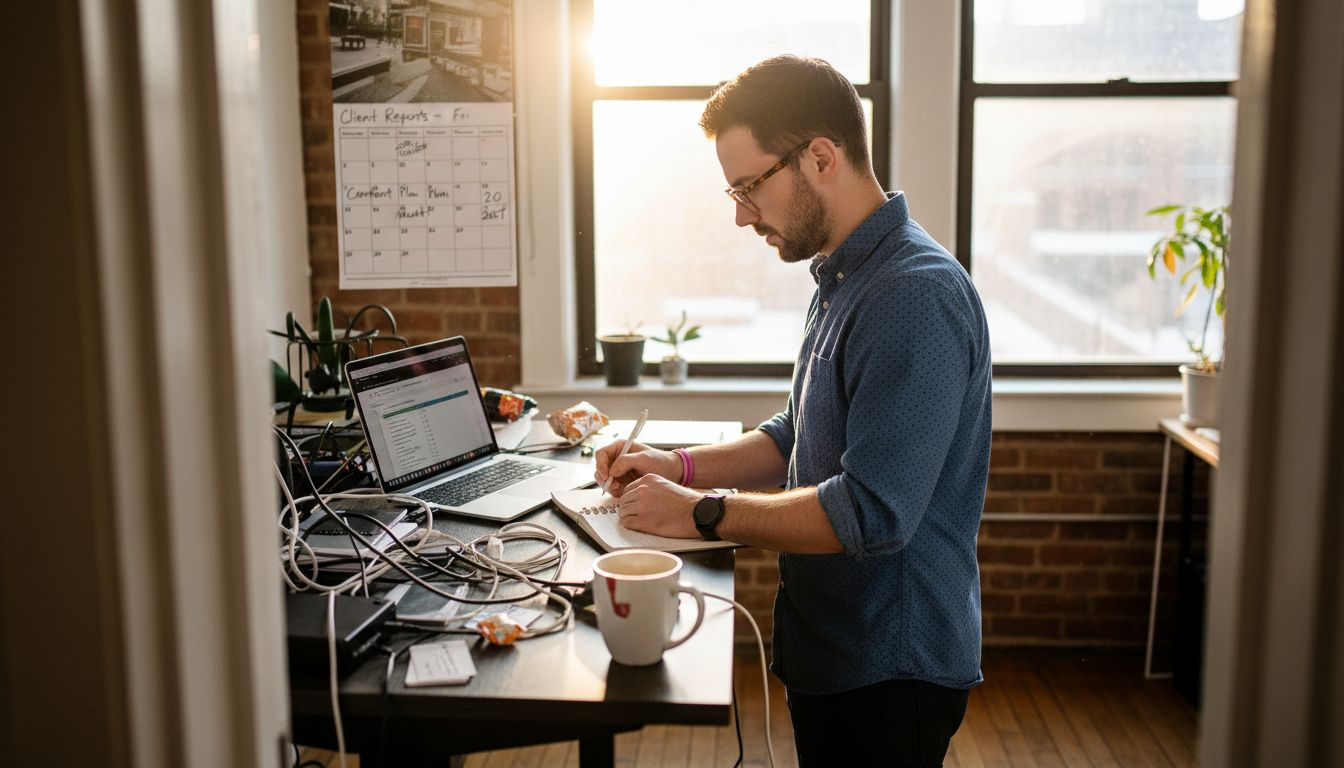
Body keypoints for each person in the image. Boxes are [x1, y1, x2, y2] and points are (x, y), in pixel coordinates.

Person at [593, 55, 991, 767]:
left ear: (820, 157)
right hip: (835, 650)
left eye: (749, 186)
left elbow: (872, 511)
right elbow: (794, 436)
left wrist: (702, 510)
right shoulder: (844, 274)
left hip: (887, 670)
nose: (743, 214)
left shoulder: (913, 295)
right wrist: (675, 464)